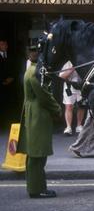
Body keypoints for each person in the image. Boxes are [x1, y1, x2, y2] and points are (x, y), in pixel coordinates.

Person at [17, 46, 62, 198]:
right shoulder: (35, 72)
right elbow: (43, 96)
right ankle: (37, 189)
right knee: (38, 154)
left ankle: (35, 187)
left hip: (32, 111)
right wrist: (57, 109)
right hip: (38, 114)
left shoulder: (30, 70)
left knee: (34, 154)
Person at [58, 61, 85, 136]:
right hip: (69, 87)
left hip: (80, 86)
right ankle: (68, 127)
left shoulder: (82, 60)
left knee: (81, 106)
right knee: (69, 106)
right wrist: (73, 68)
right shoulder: (67, 63)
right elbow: (62, 76)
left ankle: (79, 125)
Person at [0, 38, 18, 129]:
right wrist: (3, 80)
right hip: (1, 85)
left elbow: (15, 67)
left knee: (10, 104)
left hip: (11, 84)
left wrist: (12, 78)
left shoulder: (12, 56)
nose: (4, 46)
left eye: (5, 44)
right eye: (2, 44)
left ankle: (10, 123)